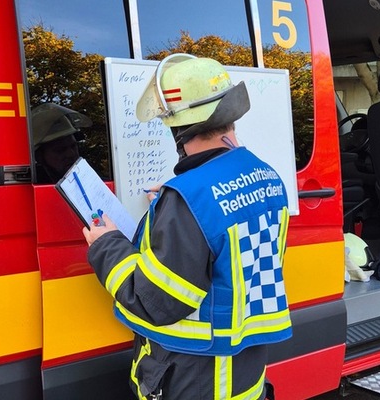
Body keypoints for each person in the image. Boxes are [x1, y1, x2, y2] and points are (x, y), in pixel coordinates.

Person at [82, 54, 292, 399]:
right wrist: (175, 213)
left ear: (178, 128)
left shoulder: (189, 198)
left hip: (198, 375)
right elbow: (230, 250)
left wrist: (106, 243)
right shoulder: (267, 176)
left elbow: (158, 301)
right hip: (244, 368)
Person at [30, 103, 92, 183]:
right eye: (60, 150)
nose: (71, 154)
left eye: (73, 146)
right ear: (39, 157)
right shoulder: (34, 186)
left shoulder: (92, 179)